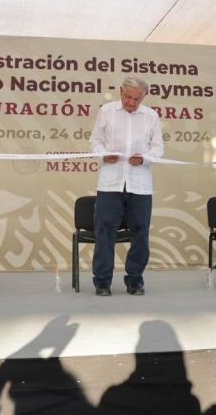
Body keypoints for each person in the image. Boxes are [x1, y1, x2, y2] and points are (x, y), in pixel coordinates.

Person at [89, 76, 164, 296]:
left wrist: (145, 158)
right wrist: (104, 155)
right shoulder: (107, 111)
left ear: (144, 97)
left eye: (136, 99)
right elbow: (95, 141)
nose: (131, 102)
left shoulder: (151, 116)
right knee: (104, 231)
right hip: (110, 181)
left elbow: (158, 148)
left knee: (140, 232)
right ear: (120, 91)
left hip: (140, 184)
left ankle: (135, 280)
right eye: (128, 97)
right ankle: (102, 282)